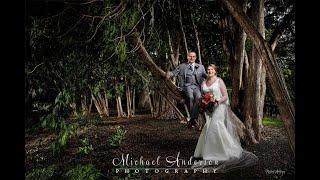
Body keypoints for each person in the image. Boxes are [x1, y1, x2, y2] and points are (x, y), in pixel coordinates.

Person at [192, 64, 258, 172]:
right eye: (208, 69)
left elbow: (225, 96)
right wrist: (204, 104)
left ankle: (221, 152)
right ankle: (204, 151)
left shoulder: (219, 81)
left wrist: (217, 101)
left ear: (215, 71)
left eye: (211, 69)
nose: (209, 71)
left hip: (219, 107)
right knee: (208, 127)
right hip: (208, 109)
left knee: (216, 126)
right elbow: (203, 96)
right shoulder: (204, 83)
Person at [166, 51, 207, 128]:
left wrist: (214, 78)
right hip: (187, 86)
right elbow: (174, 73)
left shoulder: (201, 67)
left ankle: (192, 119)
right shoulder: (182, 66)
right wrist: (169, 74)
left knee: (198, 98)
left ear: (195, 58)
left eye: (193, 56)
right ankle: (193, 119)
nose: (191, 58)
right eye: (190, 56)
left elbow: (206, 76)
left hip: (197, 86)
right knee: (191, 97)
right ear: (188, 57)